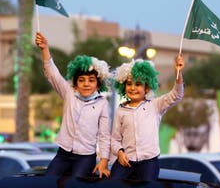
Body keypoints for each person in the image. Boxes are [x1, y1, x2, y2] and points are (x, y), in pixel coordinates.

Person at [35, 32, 111, 178]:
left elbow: (104, 136)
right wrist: (45, 49)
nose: (86, 84)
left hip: (85, 157)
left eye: (91, 80)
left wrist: (104, 161)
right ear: (75, 84)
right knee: (47, 182)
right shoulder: (68, 93)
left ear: (98, 83)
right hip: (63, 154)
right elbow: (52, 74)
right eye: (81, 80)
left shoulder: (102, 104)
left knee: (75, 184)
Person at [110, 55, 184, 181]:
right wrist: (120, 152)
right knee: (111, 184)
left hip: (148, 163)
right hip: (126, 162)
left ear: (147, 88)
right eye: (129, 84)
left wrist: (178, 72)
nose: (133, 88)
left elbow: (176, 95)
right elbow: (115, 140)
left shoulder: (155, 105)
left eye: (138, 84)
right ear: (124, 86)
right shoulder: (120, 111)